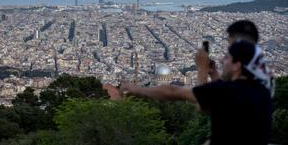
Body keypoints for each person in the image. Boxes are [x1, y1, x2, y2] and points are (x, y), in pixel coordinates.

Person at [108, 40, 272, 145]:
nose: (222, 60)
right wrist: (213, 74)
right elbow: (220, 101)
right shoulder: (260, 89)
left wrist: (136, 89)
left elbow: (182, 96)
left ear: (237, 66)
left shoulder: (229, 90)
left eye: (227, 58)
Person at [209, 20, 275, 97]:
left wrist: (202, 71)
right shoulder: (263, 70)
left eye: (231, 44)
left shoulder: (245, 73)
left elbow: (221, 96)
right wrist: (213, 72)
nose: (229, 48)